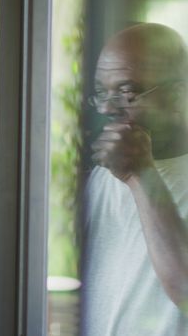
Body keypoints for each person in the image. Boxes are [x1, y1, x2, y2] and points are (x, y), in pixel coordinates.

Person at [81, 23, 188, 335]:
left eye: (127, 92)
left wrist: (141, 173)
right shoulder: (102, 175)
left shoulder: (131, 169)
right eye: (102, 92)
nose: (107, 108)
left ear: (178, 95)